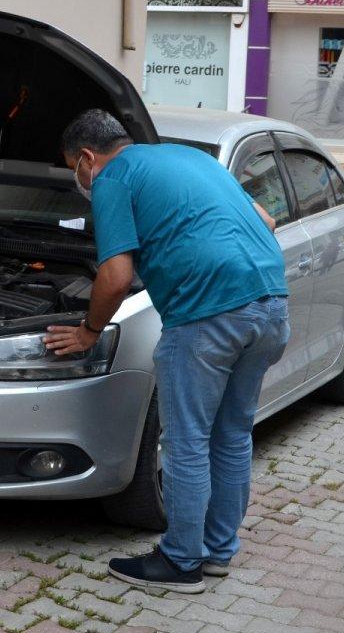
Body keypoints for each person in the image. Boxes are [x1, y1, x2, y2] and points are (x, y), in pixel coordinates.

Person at [44, 110, 289, 593]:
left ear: (87, 159)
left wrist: (89, 331)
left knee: (187, 442)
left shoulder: (113, 177)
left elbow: (114, 278)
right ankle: (218, 553)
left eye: (74, 166)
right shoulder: (189, 158)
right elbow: (266, 218)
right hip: (271, 302)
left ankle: (180, 563)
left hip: (207, 316)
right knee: (233, 434)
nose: (81, 177)